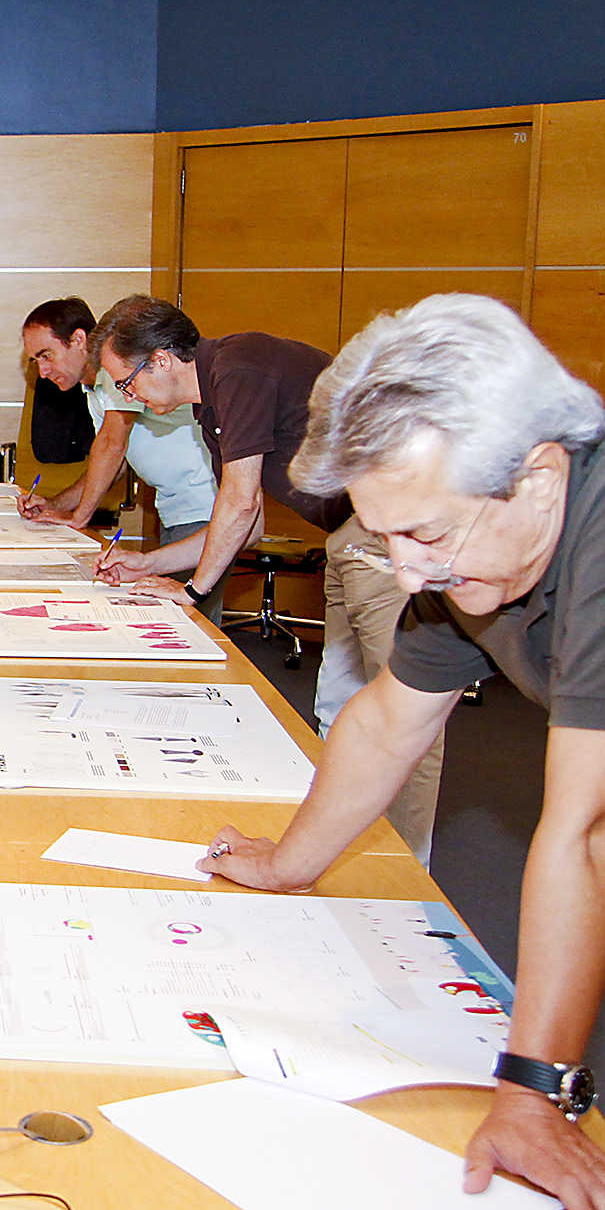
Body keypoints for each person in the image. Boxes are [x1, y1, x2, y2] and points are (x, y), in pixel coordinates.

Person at [202, 293, 605, 1210]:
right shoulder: (476, 554)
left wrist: (535, 1092)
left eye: (423, 533)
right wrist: (286, 864)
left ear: (536, 475)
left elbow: (593, 825)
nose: (408, 570)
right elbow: (387, 720)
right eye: (384, 537)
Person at [90, 294, 443, 862]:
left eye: (126, 383)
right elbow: (247, 528)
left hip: (394, 532)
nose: (128, 398)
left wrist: (194, 591)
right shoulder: (211, 408)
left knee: (403, 714)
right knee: (339, 707)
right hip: (349, 534)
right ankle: (331, 847)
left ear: (160, 360)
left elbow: (240, 501)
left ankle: (404, 871)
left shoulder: (238, 368)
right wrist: (149, 564)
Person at [17, 296, 220, 617]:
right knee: (173, 617)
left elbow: (112, 444)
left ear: (78, 340)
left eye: (46, 355)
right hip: (176, 508)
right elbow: (114, 463)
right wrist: (57, 505)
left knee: (190, 623)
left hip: (203, 506)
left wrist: (79, 518)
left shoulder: (117, 374)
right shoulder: (92, 389)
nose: (43, 372)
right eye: (35, 361)